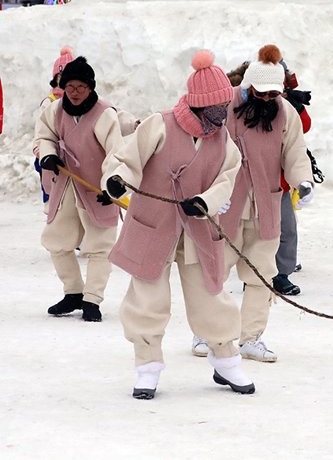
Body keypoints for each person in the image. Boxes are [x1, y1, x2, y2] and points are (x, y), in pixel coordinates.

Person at [102, 50, 254, 399]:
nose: (222, 117)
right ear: (200, 105)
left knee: (211, 294)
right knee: (146, 297)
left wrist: (205, 202)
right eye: (216, 110)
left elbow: (227, 178)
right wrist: (117, 179)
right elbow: (128, 158)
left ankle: (226, 359)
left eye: (224, 109)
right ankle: (147, 366)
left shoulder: (223, 139)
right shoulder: (161, 124)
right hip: (153, 224)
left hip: (198, 228)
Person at [197, 44, 314, 363]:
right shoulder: (224, 105)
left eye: (271, 94)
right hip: (227, 205)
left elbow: (294, 151)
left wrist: (302, 180)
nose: (266, 99)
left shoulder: (284, 111)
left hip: (266, 205)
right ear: (248, 86)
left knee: (262, 274)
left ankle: (251, 338)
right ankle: (206, 332)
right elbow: (205, 150)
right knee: (215, 271)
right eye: (260, 93)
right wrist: (208, 192)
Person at [33, 56, 124, 322]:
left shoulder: (105, 114)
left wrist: (113, 186)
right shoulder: (55, 110)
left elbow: (117, 153)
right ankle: (73, 291)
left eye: (80, 87)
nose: (74, 93)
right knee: (56, 240)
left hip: (97, 187)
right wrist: (48, 154)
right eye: (69, 86)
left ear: (91, 88)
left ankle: (92, 299)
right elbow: (44, 135)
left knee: (100, 246)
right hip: (68, 184)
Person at [275, 58, 313, 296]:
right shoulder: (244, 103)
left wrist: (296, 106)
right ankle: (254, 271)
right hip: (249, 183)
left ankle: (282, 272)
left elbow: (304, 127)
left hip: (280, 181)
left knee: (286, 229)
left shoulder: (289, 102)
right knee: (254, 230)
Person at [33, 46, 76, 206]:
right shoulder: (49, 103)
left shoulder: (77, 102)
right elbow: (41, 133)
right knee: (54, 203)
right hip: (49, 160)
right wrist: (43, 153)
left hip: (71, 160)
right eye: (60, 76)